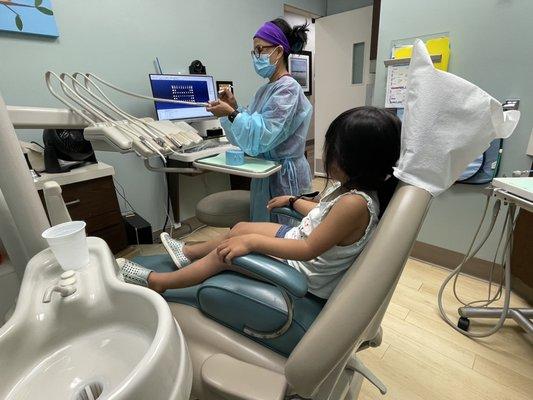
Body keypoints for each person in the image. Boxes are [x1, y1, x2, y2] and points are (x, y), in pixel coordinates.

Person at [118, 107, 402, 299]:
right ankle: (188, 253)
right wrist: (293, 201)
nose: (328, 156)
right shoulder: (354, 191)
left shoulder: (354, 204)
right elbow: (324, 215)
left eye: (333, 150)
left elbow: (306, 250)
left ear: (354, 159)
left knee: (226, 253)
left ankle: (160, 282)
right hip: (301, 240)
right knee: (240, 227)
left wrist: (252, 244)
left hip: (305, 270)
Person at [205, 18, 313, 223]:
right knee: (264, 227)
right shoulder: (265, 89)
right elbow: (254, 127)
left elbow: (264, 135)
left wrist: (231, 114)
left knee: (283, 234)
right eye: (254, 51)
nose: (256, 56)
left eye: (260, 50)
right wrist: (234, 108)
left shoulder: (288, 88)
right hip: (267, 172)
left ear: (279, 51)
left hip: (284, 175)